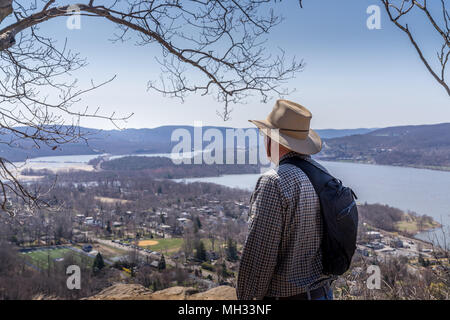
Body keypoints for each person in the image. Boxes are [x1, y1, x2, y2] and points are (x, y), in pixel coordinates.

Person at [237, 99, 333, 300]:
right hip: (323, 292)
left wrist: (246, 298)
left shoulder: (274, 182)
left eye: (265, 134)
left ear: (274, 140)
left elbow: (260, 256)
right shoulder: (323, 175)